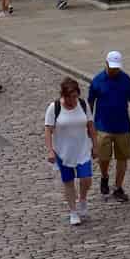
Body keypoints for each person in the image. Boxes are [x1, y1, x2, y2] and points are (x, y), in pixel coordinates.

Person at [90, 50, 130, 201]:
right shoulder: (97, 81)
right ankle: (104, 176)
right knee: (103, 157)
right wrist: (89, 125)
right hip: (102, 126)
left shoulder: (126, 80)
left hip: (122, 126)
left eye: (117, 68)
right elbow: (90, 102)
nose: (115, 70)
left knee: (122, 158)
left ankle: (118, 187)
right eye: (112, 67)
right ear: (106, 63)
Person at [44, 76, 96, 226]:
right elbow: (48, 130)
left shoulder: (83, 104)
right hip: (63, 151)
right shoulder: (54, 108)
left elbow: (91, 126)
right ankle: (73, 211)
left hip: (82, 149)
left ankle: (83, 199)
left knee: (86, 179)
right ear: (64, 96)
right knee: (68, 182)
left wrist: (95, 145)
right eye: (70, 97)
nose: (73, 100)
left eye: (75, 96)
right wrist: (50, 151)